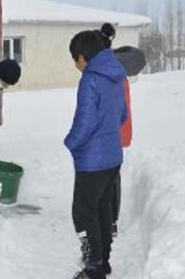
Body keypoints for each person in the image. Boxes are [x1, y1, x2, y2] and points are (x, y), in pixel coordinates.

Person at [65, 30, 127, 279]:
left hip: (92, 160)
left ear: (82, 57)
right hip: (113, 156)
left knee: (84, 212)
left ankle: (93, 269)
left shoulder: (90, 79)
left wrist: (71, 142)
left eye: (75, 60)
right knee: (102, 209)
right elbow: (122, 115)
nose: (76, 66)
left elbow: (85, 121)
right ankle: (104, 262)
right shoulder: (115, 75)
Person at [98, 23, 146, 240]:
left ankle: (109, 222)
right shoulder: (115, 70)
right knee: (111, 177)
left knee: (107, 177)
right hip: (116, 133)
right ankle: (111, 221)